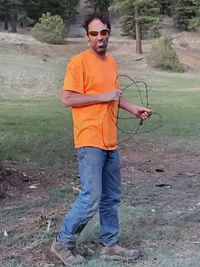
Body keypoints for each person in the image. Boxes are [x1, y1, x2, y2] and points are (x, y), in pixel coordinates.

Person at [51, 13, 152, 266]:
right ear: (87, 37)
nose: (99, 37)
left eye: (103, 32)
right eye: (94, 33)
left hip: (110, 140)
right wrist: (103, 95)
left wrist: (132, 108)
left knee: (111, 197)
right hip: (89, 139)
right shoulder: (78, 62)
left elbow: (114, 96)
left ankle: (110, 244)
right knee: (91, 197)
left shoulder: (111, 63)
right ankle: (62, 243)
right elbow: (67, 99)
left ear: (108, 34)